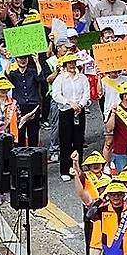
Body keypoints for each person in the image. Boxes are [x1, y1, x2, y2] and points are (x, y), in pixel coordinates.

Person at [51, 52, 90, 180]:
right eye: (69, 63)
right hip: (66, 111)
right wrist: (69, 103)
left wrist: (80, 105)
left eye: (74, 62)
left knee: (78, 140)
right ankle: (65, 170)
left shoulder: (82, 78)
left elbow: (86, 94)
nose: (72, 65)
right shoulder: (60, 78)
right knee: (66, 141)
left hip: (79, 110)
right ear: (65, 65)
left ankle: (77, 168)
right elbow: (56, 95)